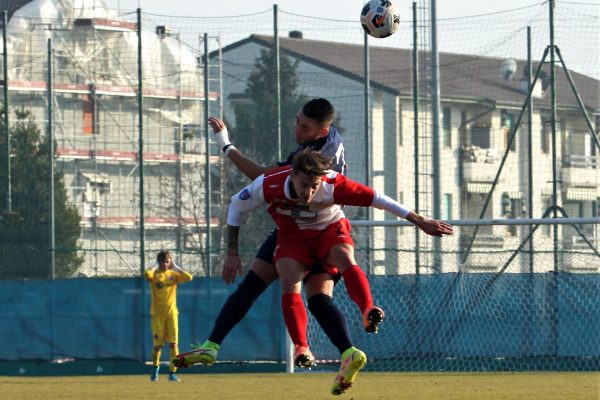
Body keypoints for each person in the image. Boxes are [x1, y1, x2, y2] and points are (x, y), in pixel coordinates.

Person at [191, 149, 454, 395]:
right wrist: (232, 252)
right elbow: (236, 205)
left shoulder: (332, 183)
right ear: (292, 175)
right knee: (290, 280)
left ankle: (368, 310)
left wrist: (421, 221)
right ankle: (303, 348)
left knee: (344, 257)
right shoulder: (269, 183)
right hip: (293, 236)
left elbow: (379, 199)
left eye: (314, 187)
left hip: (329, 231)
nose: (308, 192)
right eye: (304, 185)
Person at [175, 98, 357, 369]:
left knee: (253, 287)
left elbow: (258, 176)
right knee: (317, 300)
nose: (297, 129)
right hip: (324, 230)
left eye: (304, 127)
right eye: (297, 121)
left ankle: (214, 346)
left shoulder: (309, 161)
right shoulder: (331, 137)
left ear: (321, 131)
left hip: (302, 232)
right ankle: (348, 353)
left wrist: (225, 143)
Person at [144, 250, 193, 382]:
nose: (165, 264)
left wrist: (176, 267)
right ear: (158, 262)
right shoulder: (154, 275)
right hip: (157, 316)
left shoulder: (173, 275)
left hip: (172, 314)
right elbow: (146, 274)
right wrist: (154, 266)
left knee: (173, 345)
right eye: (162, 261)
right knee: (158, 346)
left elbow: (189, 277)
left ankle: (172, 373)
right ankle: (155, 368)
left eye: (167, 261)